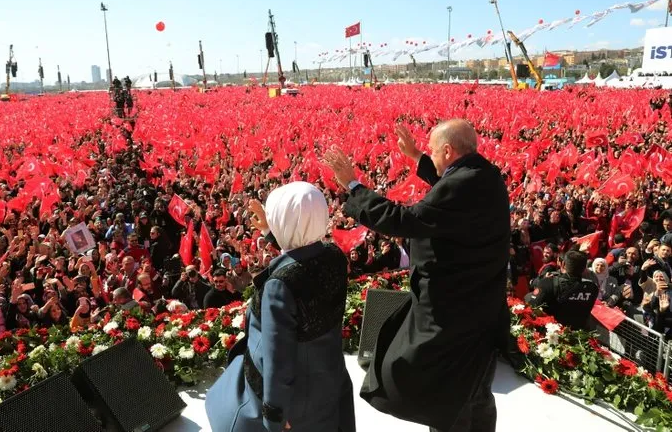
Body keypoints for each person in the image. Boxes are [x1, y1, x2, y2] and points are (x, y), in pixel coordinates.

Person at [324, 120, 510, 432]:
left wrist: (354, 187)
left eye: (434, 152)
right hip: (483, 309)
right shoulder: (486, 175)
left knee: (444, 396)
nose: (432, 156)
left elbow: (405, 220)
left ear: (449, 151)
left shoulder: (461, 185)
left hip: (453, 314)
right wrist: (416, 158)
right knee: (475, 389)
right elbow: (449, 182)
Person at [206, 181, 355, 432]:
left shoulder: (280, 285)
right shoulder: (334, 256)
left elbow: (278, 360)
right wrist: (269, 233)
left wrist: (275, 415)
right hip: (328, 379)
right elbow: (303, 253)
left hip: (295, 399)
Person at [525, 250, 599, 330]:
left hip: (554, 335)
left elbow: (531, 303)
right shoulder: (592, 287)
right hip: (579, 336)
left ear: (563, 264)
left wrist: (542, 284)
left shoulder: (549, 282)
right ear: (584, 268)